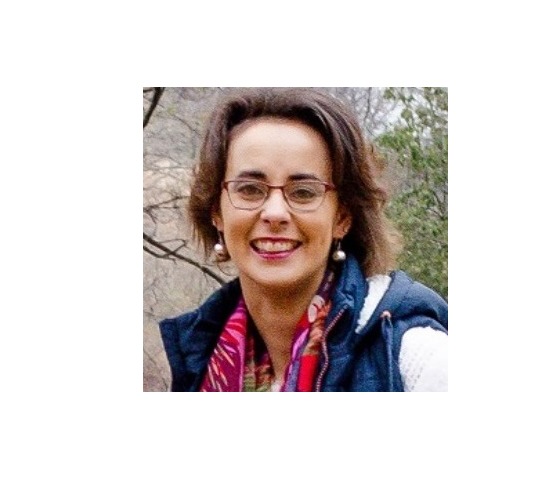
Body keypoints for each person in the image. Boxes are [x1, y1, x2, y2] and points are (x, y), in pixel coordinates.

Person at [159, 88, 448, 392]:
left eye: (303, 192)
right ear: (216, 211)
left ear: (342, 217)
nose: (274, 213)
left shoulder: (417, 361)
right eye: (250, 189)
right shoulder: (198, 359)